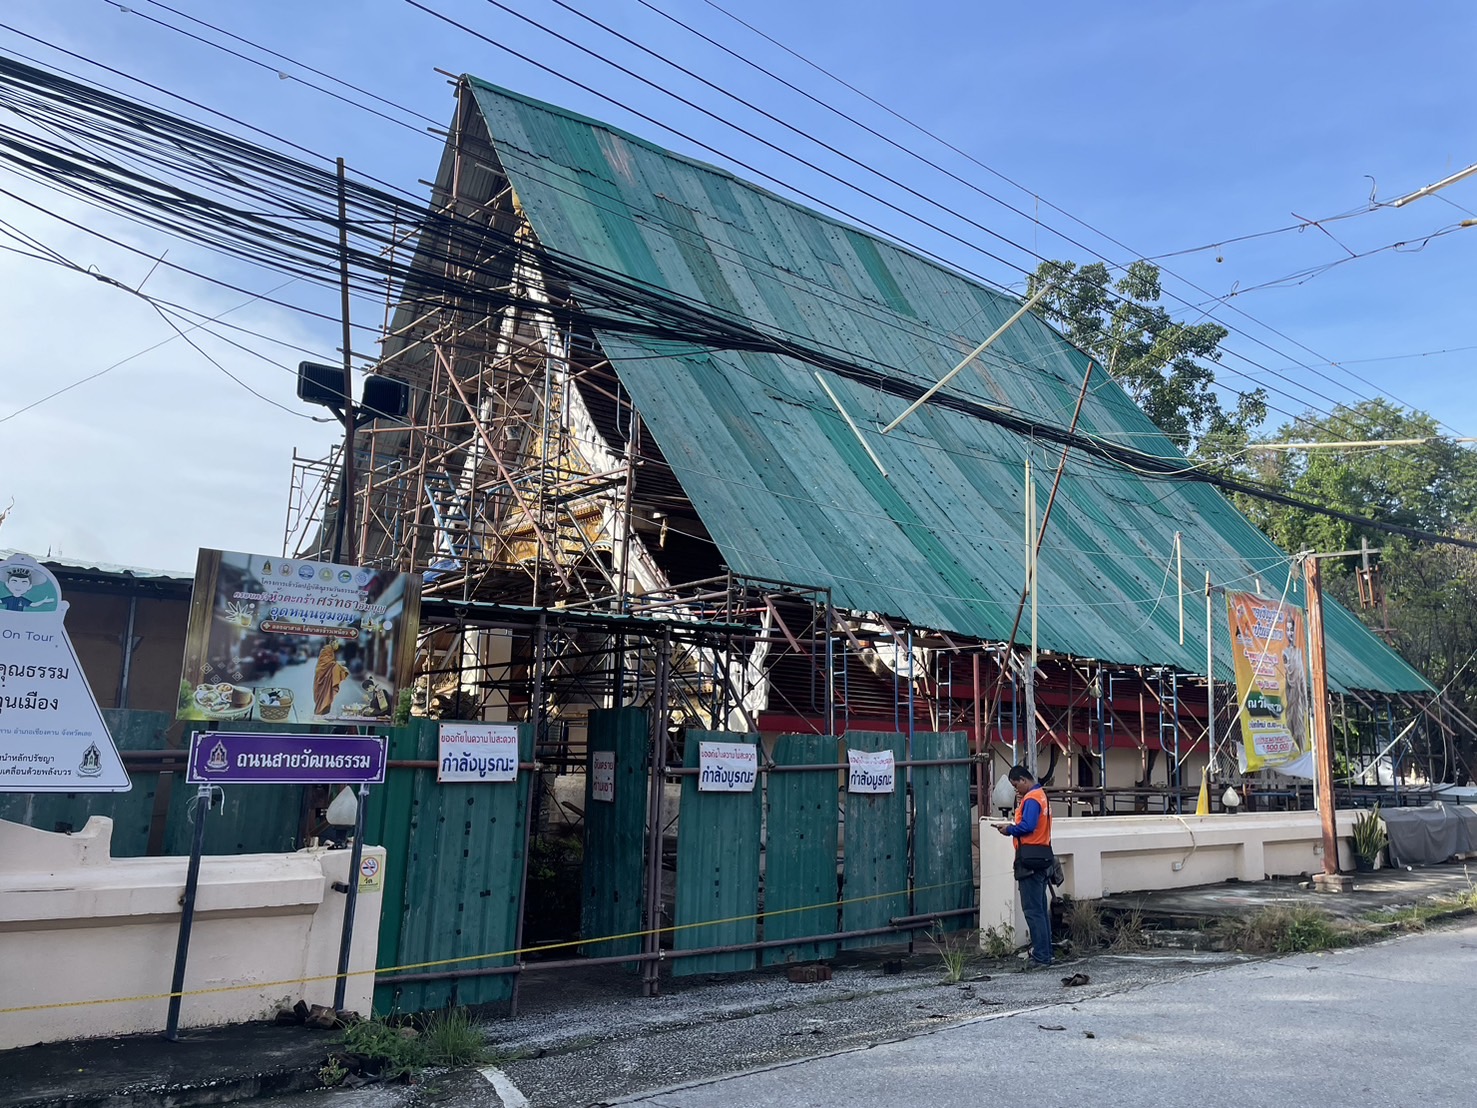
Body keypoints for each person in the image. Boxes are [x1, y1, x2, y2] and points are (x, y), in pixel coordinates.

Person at [995, 764, 1054, 967]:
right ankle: (1047, 953)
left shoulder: (1031, 799)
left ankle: (1041, 957)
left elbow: (1028, 826)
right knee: (1041, 910)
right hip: (1043, 856)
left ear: (1023, 780)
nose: (1015, 790)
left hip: (1029, 859)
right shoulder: (1041, 796)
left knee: (1032, 911)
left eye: (1015, 785)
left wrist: (1009, 830)